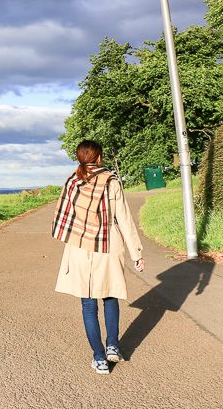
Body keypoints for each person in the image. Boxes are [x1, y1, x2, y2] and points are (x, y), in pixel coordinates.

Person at [52, 140, 144, 375]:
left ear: (79, 158)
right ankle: (113, 345)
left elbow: (66, 218)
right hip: (108, 245)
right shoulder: (111, 181)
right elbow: (124, 218)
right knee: (110, 295)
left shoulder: (73, 181)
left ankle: (99, 358)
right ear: (99, 157)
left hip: (81, 247)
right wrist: (136, 253)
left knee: (88, 304)